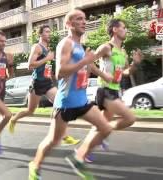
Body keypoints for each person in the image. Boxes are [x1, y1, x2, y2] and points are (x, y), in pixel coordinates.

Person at [28, 9, 113, 180]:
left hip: (81, 100)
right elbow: (60, 72)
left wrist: (101, 74)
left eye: (84, 18)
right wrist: (85, 61)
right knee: (53, 141)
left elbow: (85, 67)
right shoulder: (65, 44)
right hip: (65, 102)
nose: (84, 21)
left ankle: (78, 157)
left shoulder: (80, 46)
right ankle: (34, 165)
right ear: (68, 24)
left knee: (105, 127)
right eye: (78, 19)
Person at [7, 24, 80, 146]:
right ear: (40, 34)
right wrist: (47, 59)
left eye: (49, 31)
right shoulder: (37, 47)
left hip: (47, 82)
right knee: (30, 110)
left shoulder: (48, 49)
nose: (49, 34)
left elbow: (46, 66)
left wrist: (50, 71)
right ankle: (14, 119)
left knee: (61, 103)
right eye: (46, 31)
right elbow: (30, 65)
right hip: (37, 83)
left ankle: (63, 135)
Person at [84, 19, 141, 162]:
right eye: (124, 27)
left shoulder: (122, 51)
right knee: (129, 119)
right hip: (105, 90)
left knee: (101, 124)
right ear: (115, 29)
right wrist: (104, 75)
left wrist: (135, 64)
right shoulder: (106, 47)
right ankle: (102, 133)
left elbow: (127, 72)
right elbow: (89, 63)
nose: (126, 30)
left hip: (115, 90)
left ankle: (85, 150)